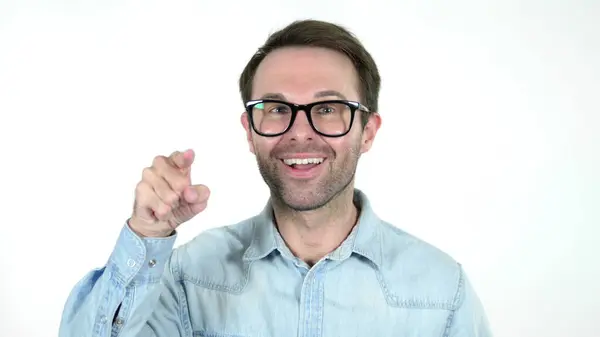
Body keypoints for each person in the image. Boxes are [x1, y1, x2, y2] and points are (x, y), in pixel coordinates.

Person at [59, 19, 492, 337]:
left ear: (368, 132)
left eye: (327, 109)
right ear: (250, 132)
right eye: (277, 109)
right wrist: (147, 235)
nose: (299, 132)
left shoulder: (442, 289)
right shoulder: (189, 276)